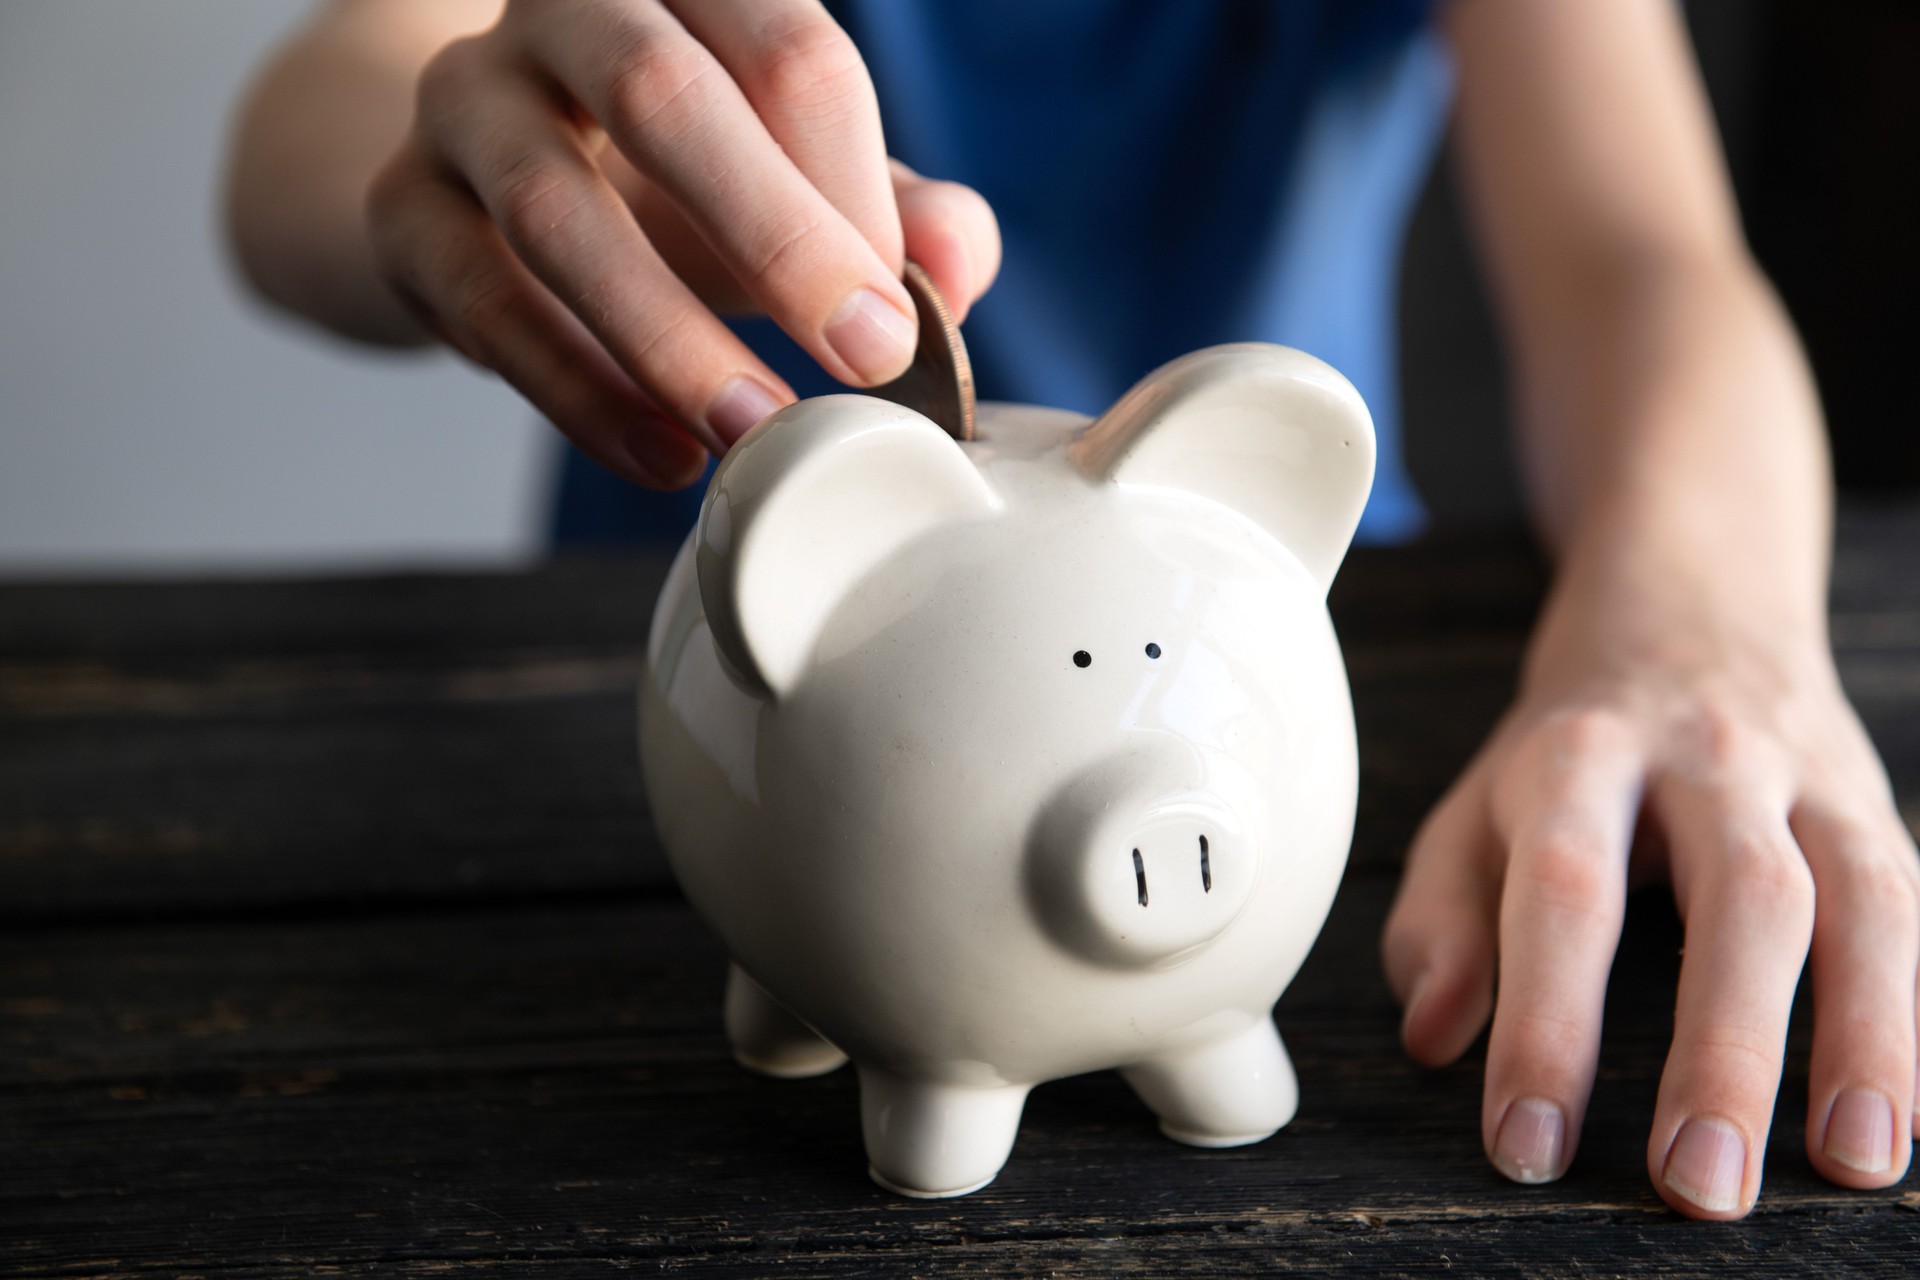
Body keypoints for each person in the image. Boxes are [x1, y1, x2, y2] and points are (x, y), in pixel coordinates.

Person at [225, 0, 1917, 1220]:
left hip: (1266, 616)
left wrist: (1698, 619)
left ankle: (1176, 1026)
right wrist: (450, 158)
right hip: (749, 587)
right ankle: (882, 1030)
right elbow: (308, 119)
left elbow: (1648, 260)